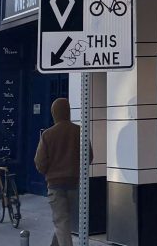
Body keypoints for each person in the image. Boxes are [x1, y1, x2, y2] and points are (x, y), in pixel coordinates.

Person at [34, 99, 90, 246]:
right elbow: (89, 156)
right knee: (64, 220)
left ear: (54, 113)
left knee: (61, 221)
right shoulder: (79, 131)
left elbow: (40, 162)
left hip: (55, 184)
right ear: (68, 112)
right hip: (74, 182)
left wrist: (48, 172)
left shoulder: (47, 135)